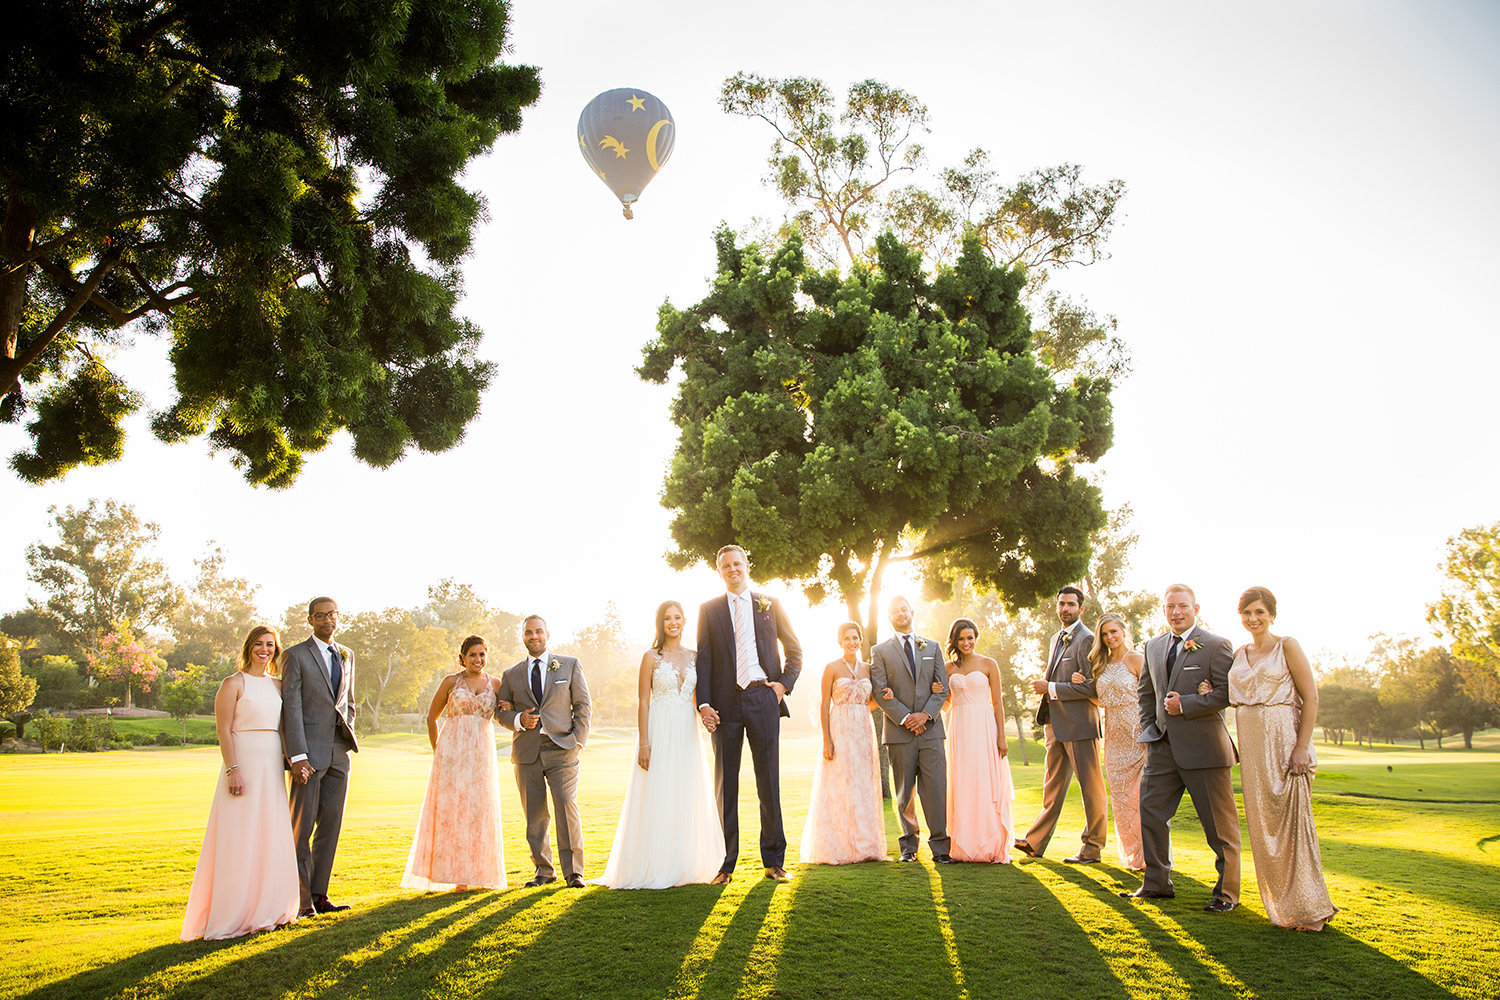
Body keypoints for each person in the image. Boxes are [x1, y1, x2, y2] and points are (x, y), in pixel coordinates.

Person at [1122, 584, 1241, 913]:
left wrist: (1186, 704)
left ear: (1195, 608)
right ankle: (1157, 883)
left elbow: (1228, 693)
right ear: (1164, 610)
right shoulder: (1153, 646)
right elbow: (1146, 693)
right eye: (1170, 606)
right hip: (1162, 748)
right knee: (1151, 815)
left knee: (1219, 826)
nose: (1176, 612)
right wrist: (1152, 726)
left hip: (1205, 751)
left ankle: (1226, 893)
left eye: (1182, 606)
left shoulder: (1216, 645)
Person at [1224, 586, 1337, 930]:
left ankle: (1312, 909)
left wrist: (1302, 747)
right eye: (1247, 613)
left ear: (1272, 614)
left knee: (1294, 826)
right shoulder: (1239, 653)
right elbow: (1233, 695)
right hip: (1253, 746)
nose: (1253, 618)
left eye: (1259, 612)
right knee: (1263, 829)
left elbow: (1311, 697)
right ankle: (1284, 908)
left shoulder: (1287, 645)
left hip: (1286, 741)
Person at [181, 626, 299, 940]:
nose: (265, 650)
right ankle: (234, 911)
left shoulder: (278, 685)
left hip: (270, 763)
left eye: (270, 645)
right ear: (248, 647)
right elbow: (223, 730)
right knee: (240, 835)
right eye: (259, 644)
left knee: (268, 832)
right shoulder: (232, 683)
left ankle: (269, 908)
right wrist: (233, 769)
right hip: (243, 761)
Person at [595, 602, 724, 888]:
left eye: (677, 617)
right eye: (668, 618)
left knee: (683, 790)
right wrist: (644, 743)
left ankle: (682, 864)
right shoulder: (651, 657)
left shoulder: (695, 656)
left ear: (684, 620)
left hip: (685, 731)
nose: (673, 622)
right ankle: (654, 863)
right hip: (660, 727)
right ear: (660, 622)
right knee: (658, 790)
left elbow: (694, 696)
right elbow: (643, 701)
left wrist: (705, 715)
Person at [695, 544, 803, 883]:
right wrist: (705, 704)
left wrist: (782, 686)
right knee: (725, 785)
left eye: (737, 563)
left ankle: (774, 861)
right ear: (719, 571)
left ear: (746, 565)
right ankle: (724, 865)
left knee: (768, 781)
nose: (732, 569)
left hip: (762, 698)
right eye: (725, 565)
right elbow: (705, 660)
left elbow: (795, 651)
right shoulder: (709, 610)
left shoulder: (770, 603)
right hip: (725, 705)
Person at [401, 636, 506, 891]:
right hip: (451, 753)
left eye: (482, 654)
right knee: (452, 810)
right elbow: (431, 717)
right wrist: (438, 750)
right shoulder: (450, 682)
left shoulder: (496, 683)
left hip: (482, 753)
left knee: (478, 811)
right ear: (462, 657)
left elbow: (504, 714)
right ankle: (451, 875)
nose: (478, 660)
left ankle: (477, 874)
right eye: (472, 655)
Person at [497, 615, 592, 888]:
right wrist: (518, 720)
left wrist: (578, 739)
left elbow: (583, 705)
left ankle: (574, 872)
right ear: (523, 637)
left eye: (538, 631)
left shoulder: (569, 666)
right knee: (535, 815)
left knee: (565, 805)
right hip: (527, 752)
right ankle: (543, 871)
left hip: (562, 748)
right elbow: (501, 713)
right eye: (528, 632)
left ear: (547, 634)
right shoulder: (511, 675)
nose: (533, 636)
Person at [1016, 586, 1107, 863]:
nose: (1065, 609)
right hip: (1054, 723)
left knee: (1091, 790)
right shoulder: (1057, 637)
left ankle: (1092, 848)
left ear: (1081, 608)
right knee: (1052, 787)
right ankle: (1035, 842)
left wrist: (1051, 687)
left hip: (1080, 725)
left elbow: (1093, 689)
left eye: (1070, 604)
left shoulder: (1088, 639)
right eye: (1061, 604)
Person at [281, 597, 359, 916]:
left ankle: (318, 895)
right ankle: (299, 902)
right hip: (308, 757)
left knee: (331, 826)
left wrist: (347, 732)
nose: (327, 620)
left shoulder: (346, 654)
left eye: (332, 614)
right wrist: (297, 756)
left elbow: (348, 703)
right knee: (301, 830)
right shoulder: (294, 656)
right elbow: (291, 707)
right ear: (310, 620)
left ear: (338, 617)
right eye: (320, 615)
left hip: (339, 754)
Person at [871, 595, 951, 863]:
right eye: (894, 611)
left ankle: (941, 850)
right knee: (904, 792)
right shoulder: (879, 651)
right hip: (899, 733)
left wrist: (925, 715)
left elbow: (943, 688)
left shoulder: (933, 646)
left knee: (936, 790)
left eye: (904, 609)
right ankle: (909, 849)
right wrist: (907, 718)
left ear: (912, 612)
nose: (900, 614)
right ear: (889, 616)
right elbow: (881, 693)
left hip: (931, 732)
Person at [799, 621, 886, 865]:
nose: (852, 642)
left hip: (863, 729)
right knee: (839, 785)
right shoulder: (832, 668)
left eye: (855, 638)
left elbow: (874, 699)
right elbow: (825, 704)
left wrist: (865, 706)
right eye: (847, 638)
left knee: (863, 786)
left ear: (860, 640)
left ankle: (866, 847)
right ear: (840, 641)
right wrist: (827, 740)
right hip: (839, 728)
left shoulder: (869, 668)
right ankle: (838, 846)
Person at [943, 618, 1015, 863]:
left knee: (984, 782)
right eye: (961, 638)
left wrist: (1001, 736)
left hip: (984, 727)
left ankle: (990, 843)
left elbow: (997, 703)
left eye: (970, 638)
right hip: (960, 728)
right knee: (962, 782)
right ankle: (962, 846)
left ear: (976, 638)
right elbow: (945, 704)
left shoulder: (988, 664)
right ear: (955, 640)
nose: (966, 643)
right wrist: (935, 691)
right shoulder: (948, 668)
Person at [1083, 613, 1147, 870]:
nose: (1110, 638)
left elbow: (1151, 694)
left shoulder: (1135, 659)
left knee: (1142, 799)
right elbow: (1100, 698)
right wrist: (1082, 686)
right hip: (1113, 735)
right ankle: (1133, 856)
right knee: (1121, 800)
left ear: (1123, 631)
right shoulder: (1101, 664)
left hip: (1138, 733)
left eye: (1113, 632)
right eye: (1105, 634)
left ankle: (1152, 857)